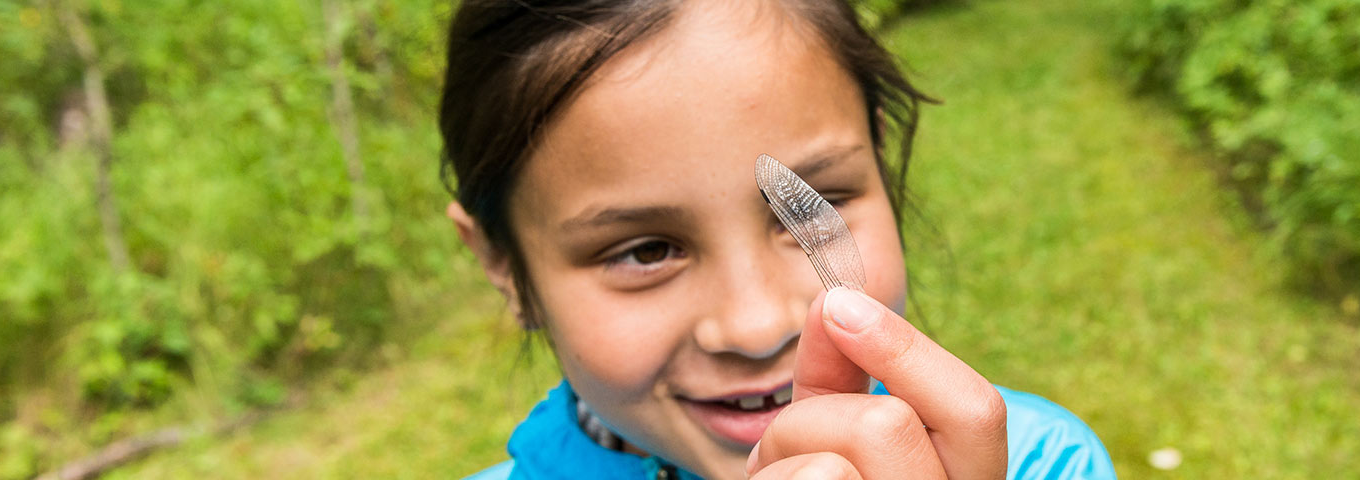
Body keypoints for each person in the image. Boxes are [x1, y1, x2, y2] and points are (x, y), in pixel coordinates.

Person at [439, 0, 1115, 478]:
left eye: (807, 210)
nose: (757, 327)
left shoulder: (1046, 463)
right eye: (645, 251)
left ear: (878, 158)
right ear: (501, 263)